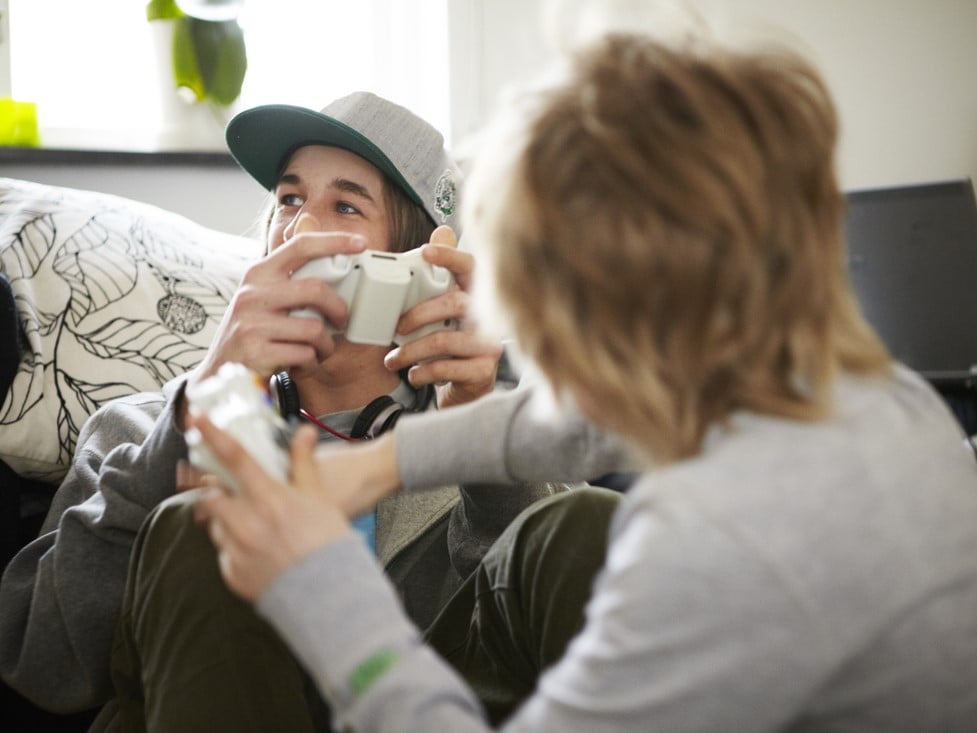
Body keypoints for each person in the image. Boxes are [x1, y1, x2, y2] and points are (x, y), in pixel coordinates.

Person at [189, 32, 977, 732]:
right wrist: (380, 463)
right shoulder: (876, 401)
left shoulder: (714, 539)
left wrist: (321, 586)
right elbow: (575, 422)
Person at [0, 91, 620, 729]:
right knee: (206, 523)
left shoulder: (498, 428)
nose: (297, 228)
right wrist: (197, 410)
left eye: (345, 205)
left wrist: (475, 435)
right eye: (289, 199)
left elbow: (545, 623)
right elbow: (38, 659)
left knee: (592, 517)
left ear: (419, 269)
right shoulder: (143, 428)